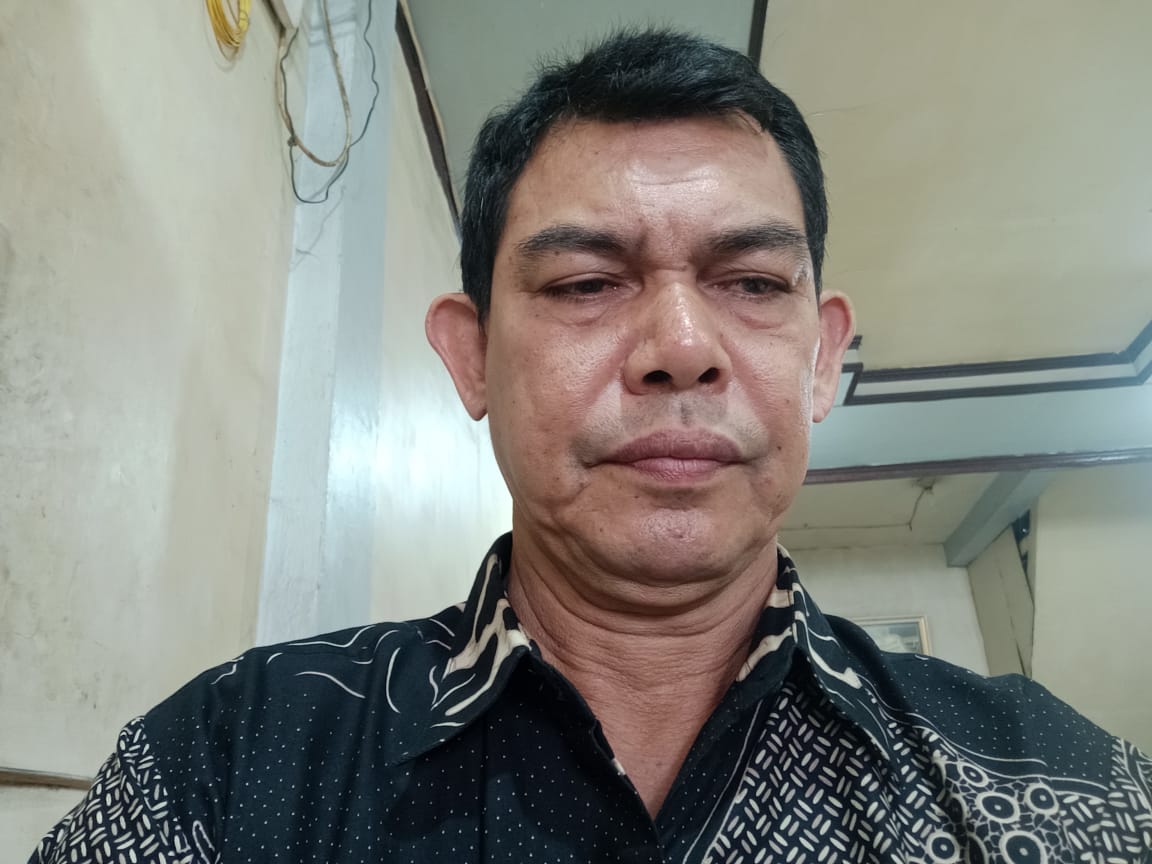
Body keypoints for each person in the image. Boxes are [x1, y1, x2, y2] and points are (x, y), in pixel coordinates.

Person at [31, 28, 1152, 864]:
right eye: (584, 283)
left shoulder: (1058, 793)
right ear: (472, 355)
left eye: (752, 282)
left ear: (820, 358)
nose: (681, 349)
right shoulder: (235, 763)